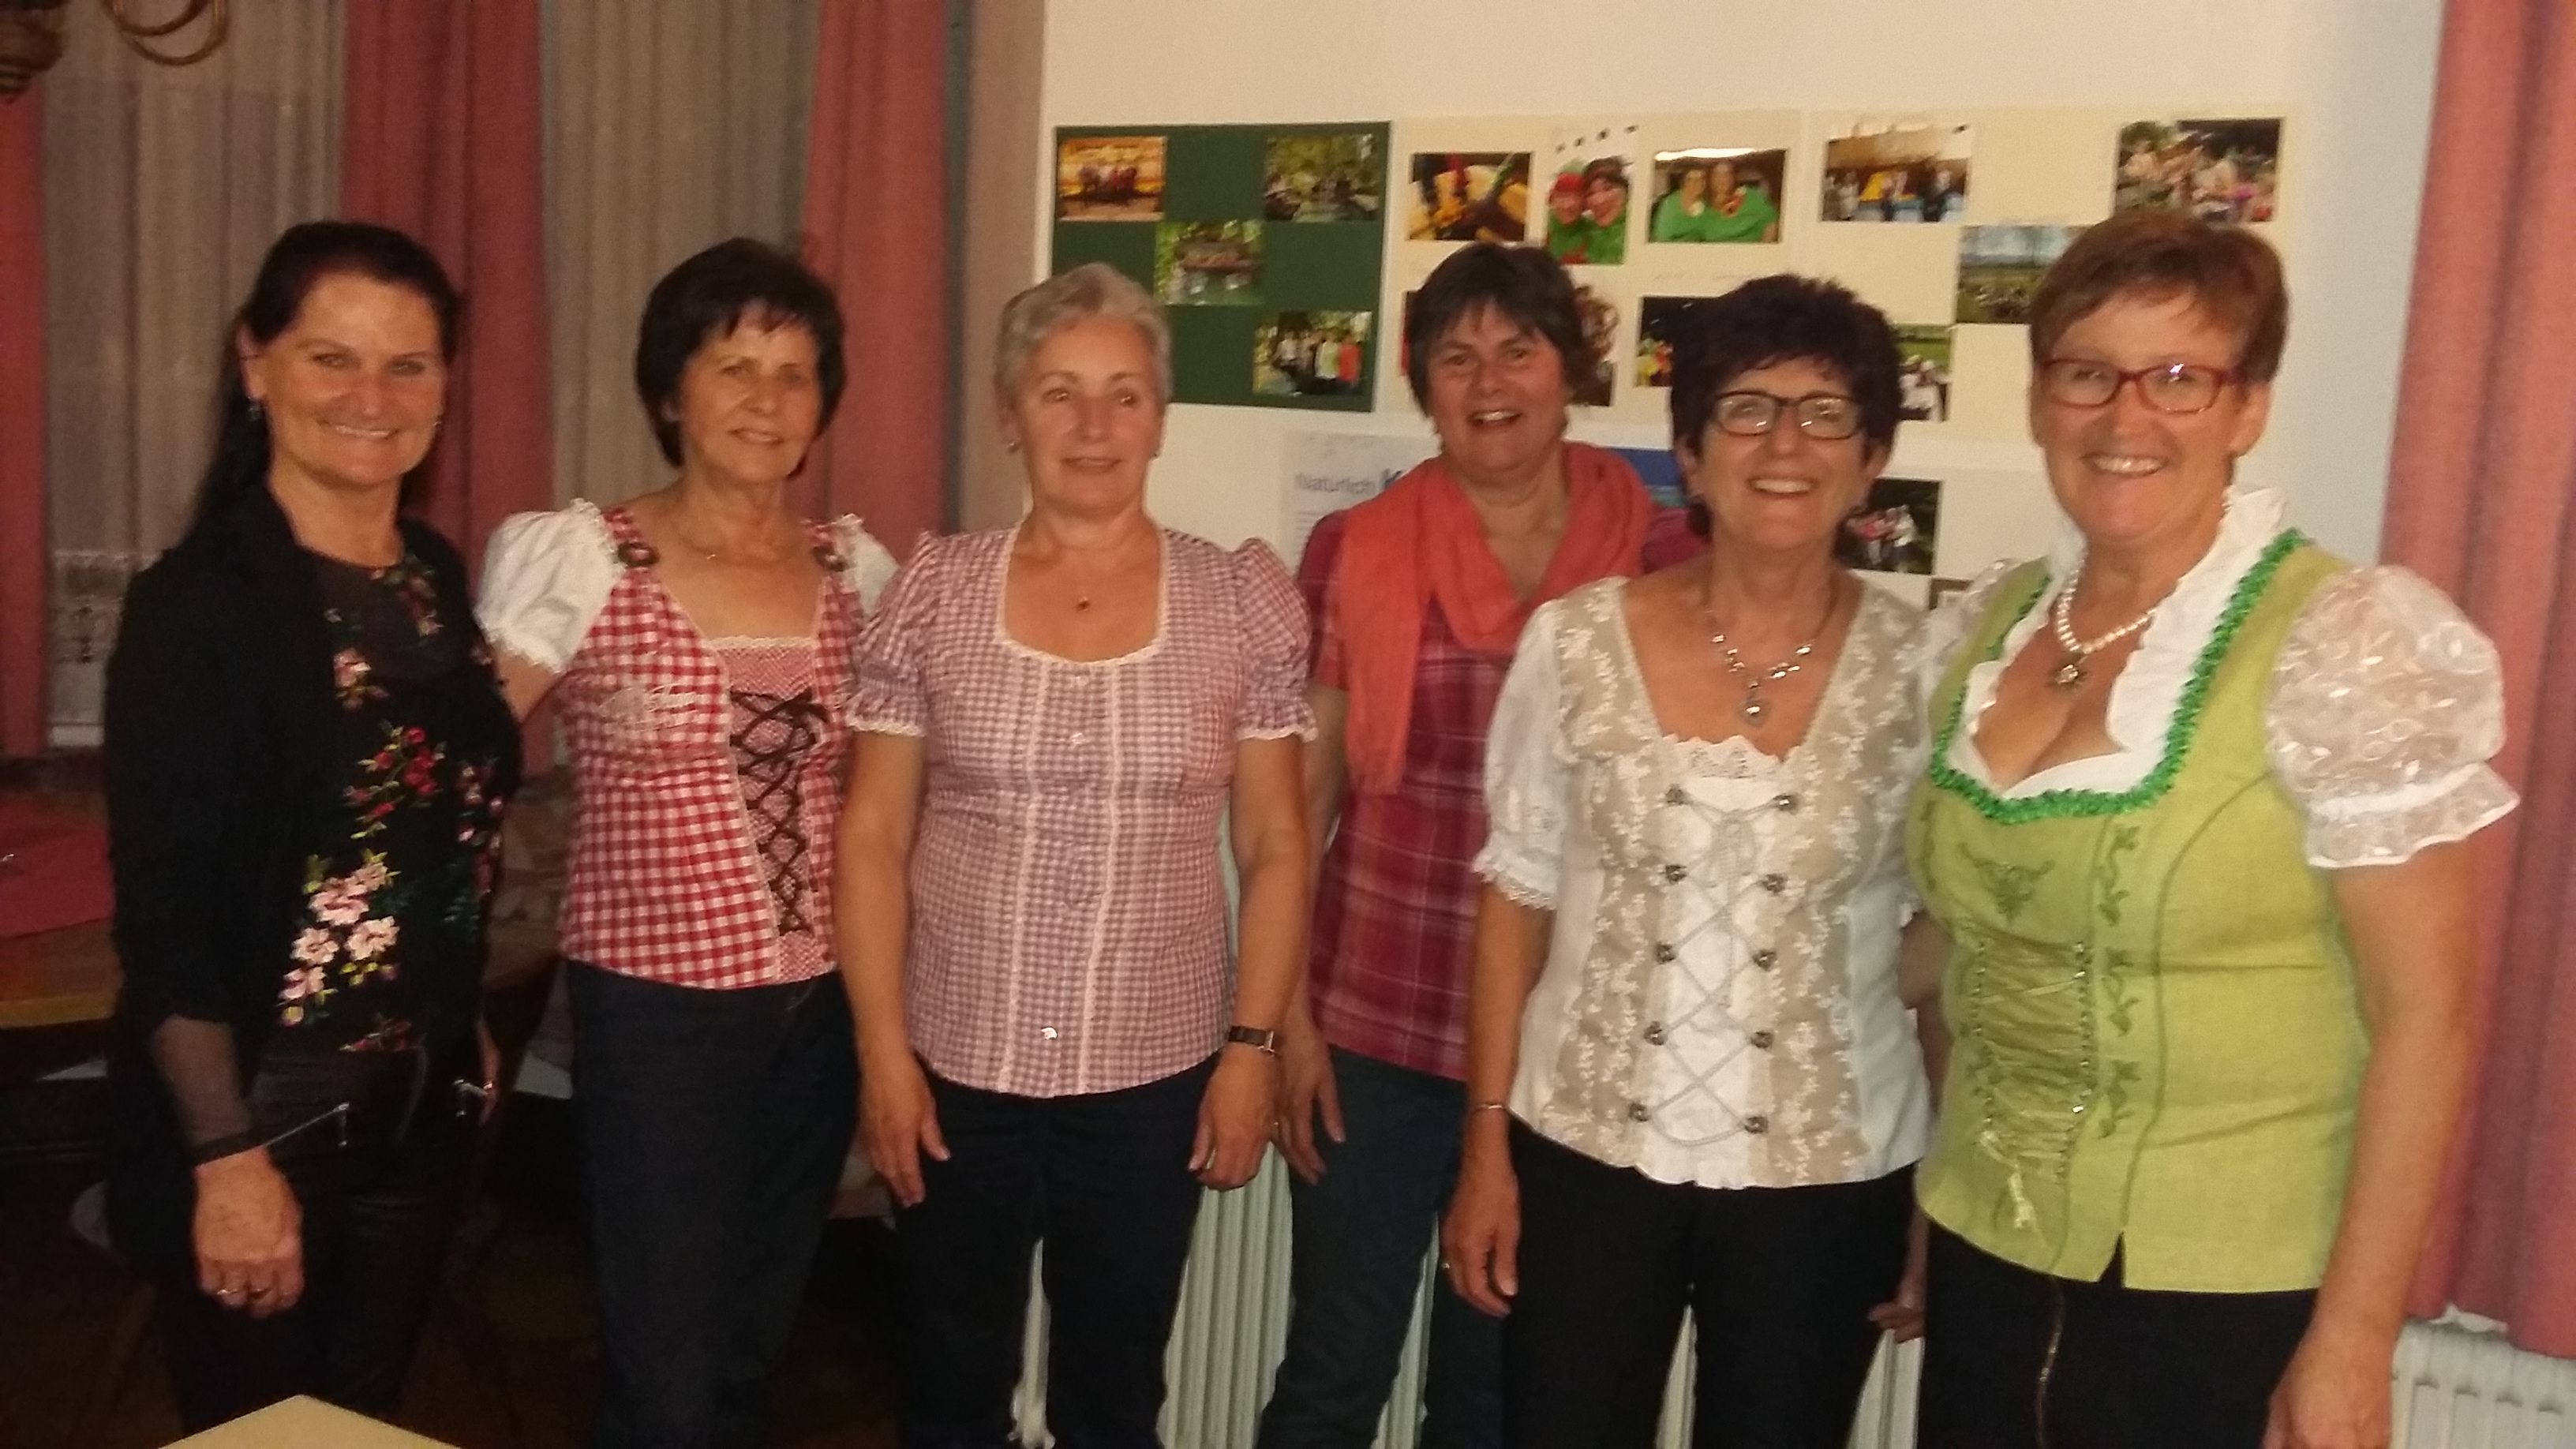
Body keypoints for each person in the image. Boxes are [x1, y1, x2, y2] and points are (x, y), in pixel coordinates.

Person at [1907, 209, 2516, 1448]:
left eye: (2180, 378)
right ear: (2041, 401)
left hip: (2227, 1294)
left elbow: (2429, 1023)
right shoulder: (1986, 630)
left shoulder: (2346, 646)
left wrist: (2354, 1340)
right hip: (1986, 1255)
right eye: (2088, 373)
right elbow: (1960, 959)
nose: (2126, 418)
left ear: (2247, 409)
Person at [1443, 275, 1944, 1447]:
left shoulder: (1930, 673)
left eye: (1826, 414)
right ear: (1691, 453)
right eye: (1747, 409)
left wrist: (1940, 1193)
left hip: (1830, 1175)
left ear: (1871, 460)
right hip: (1582, 1152)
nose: (1784, 444)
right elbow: (1516, 902)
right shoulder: (1577, 640)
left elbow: (1946, 946)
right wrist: (1485, 1150)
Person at [838, 260, 1311, 1448]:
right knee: (948, 1382)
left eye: (1124, 394)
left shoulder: (1238, 600)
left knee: (1115, 1391)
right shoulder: (935, 591)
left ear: (1160, 418)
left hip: (1152, 1079)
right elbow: (874, 834)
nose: (1093, 426)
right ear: (1011, 414)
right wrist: (883, 1056)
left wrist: (1251, 1051)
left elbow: (1275, 841)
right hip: (956, 1067)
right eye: (1059, 392)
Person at [1257, 242, 1698, 1449]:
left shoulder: (1659, 556)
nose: (1490, 381)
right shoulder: (1356, 547)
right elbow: (1300, 801)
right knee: (1334, 1371)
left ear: (1571, 370)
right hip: (1375, 1033)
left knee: (1496, 1387)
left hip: (1568, 1048)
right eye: (1457, 357)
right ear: (1423, 383)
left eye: (1520, 349)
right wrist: (1286, 1021)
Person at [476, 238, 896, 1448]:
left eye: (794, 373)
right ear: (670, 392)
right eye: (733, 367)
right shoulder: (588, 560)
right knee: (664, 1355)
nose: (767, 399)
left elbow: (888, 799)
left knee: (756, 1339)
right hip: (658, 1014)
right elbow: (461, 769)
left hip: (819, 1010)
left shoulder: (855, 569)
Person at [103, 221, 519, 1431]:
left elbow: (440, 832)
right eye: (331, 357)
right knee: (264, 1431)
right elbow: (166, 920)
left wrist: (461, 1015)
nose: (371, 397)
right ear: (256, 363)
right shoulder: (198, 605)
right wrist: (225, 1159)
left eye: (408, 364)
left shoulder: (432, 575)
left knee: (363, 1418)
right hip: (271, 1110)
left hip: (426, 1101)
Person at [1649, 162, 1711, 244]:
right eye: (1692, 179)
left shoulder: (1706, 203)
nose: (1699, 183)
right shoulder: (1670, 205)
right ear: (1684, 182)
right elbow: (1662, 237)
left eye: (1702, 179)